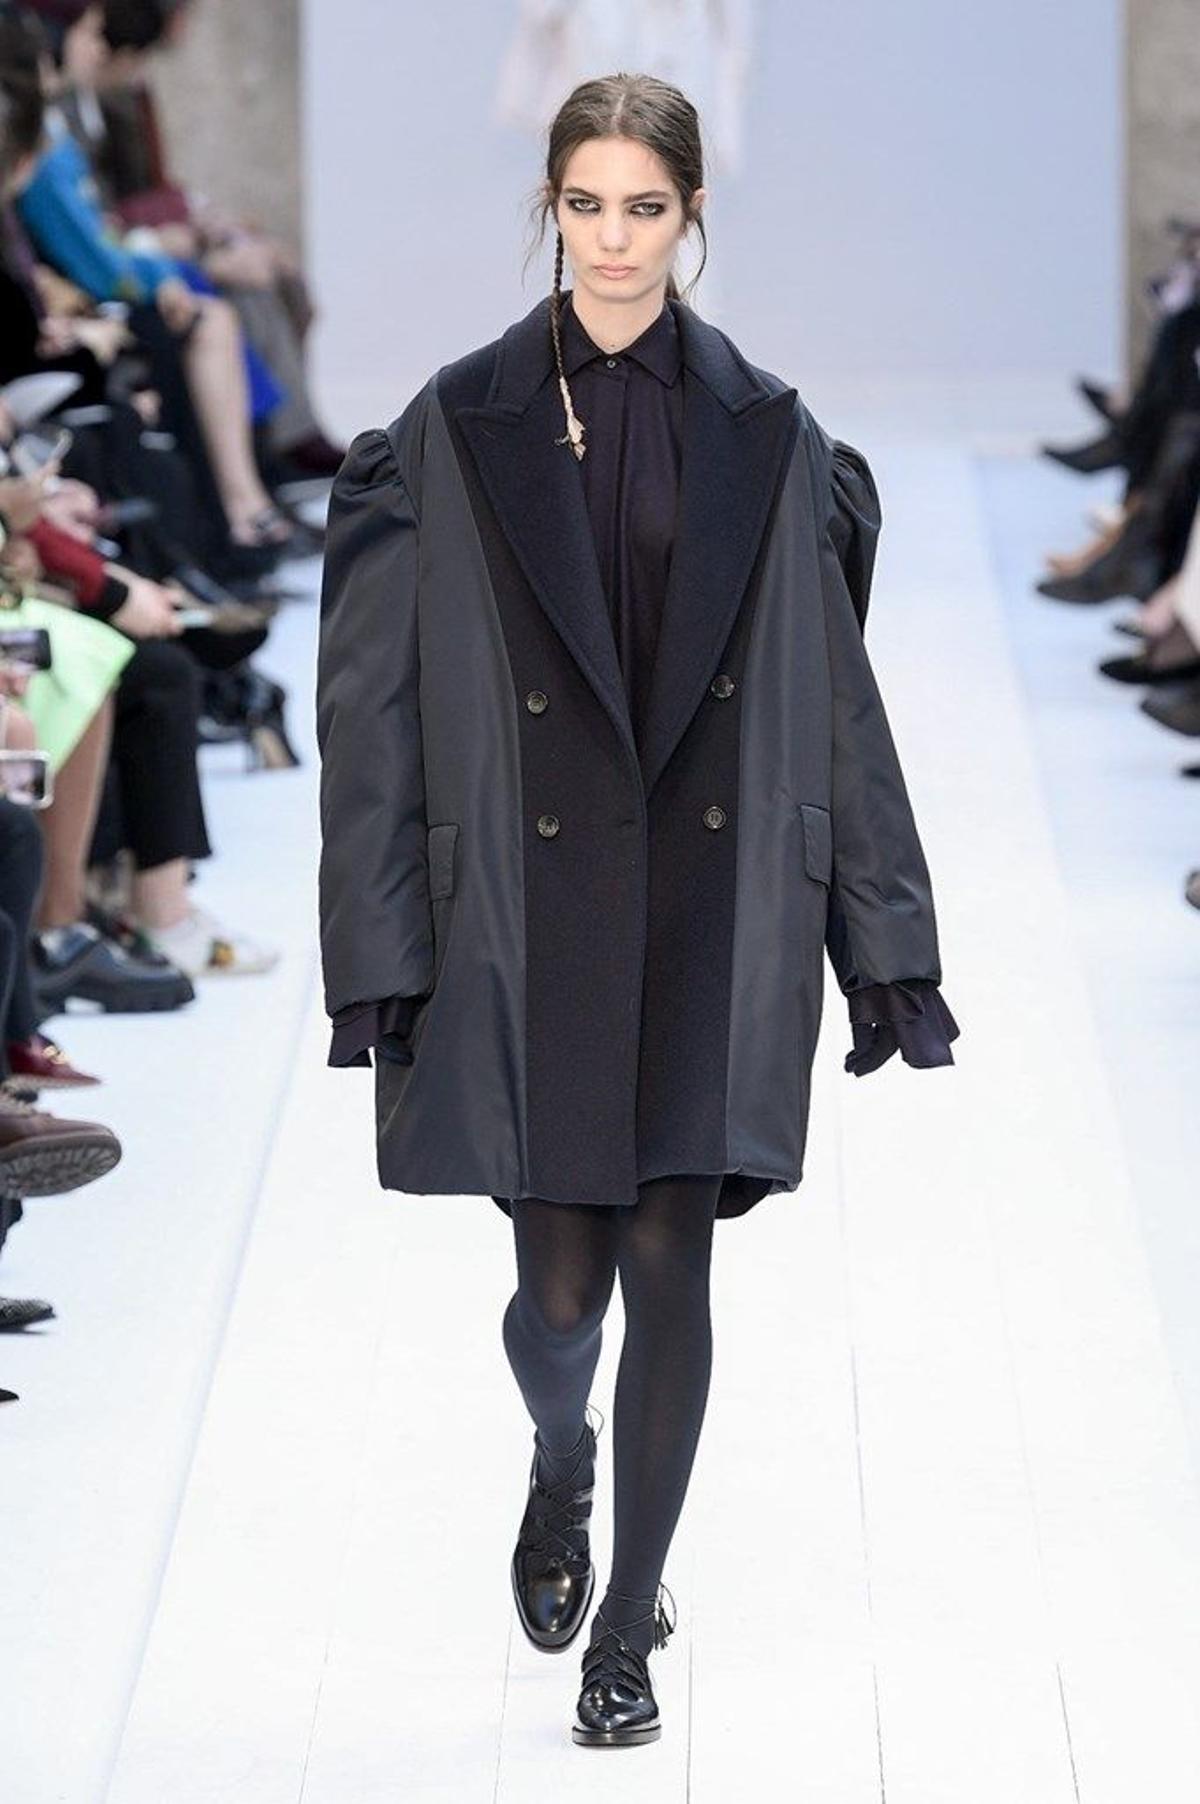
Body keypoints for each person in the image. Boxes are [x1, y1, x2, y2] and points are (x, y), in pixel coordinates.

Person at [315, 73, 960, 1750]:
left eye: (646, 208)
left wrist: (887, 942)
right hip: (528, 916)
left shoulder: (772, 436)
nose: (615, 241)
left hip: (710, 903)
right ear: (550, 206)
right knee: (559, 1302)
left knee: (673, 1266)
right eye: (588, 205)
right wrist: (377, 950)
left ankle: (627, 1628)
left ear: (693, 217)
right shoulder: (452, 431)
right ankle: (563, 1454)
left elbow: (833, 699)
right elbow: (372, 715)